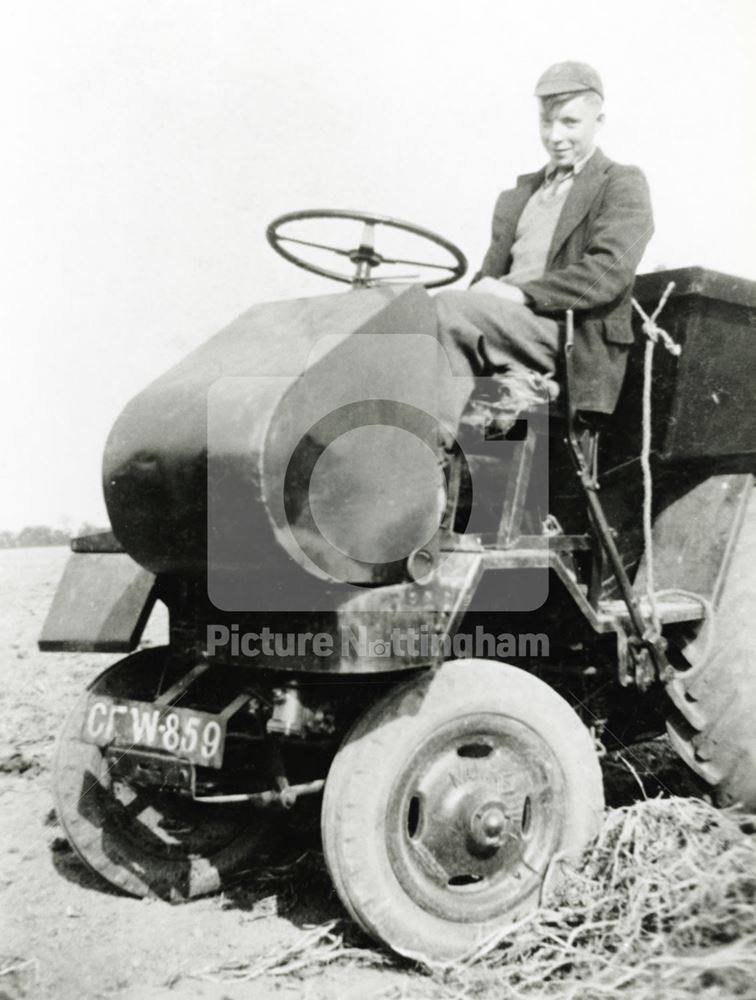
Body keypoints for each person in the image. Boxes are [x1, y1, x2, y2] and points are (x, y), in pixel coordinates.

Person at [435, 61, 654, 427]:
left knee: (444, 307)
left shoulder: (621, 183)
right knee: (407, 319)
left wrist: (521, 295)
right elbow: (487, 278)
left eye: (569, 122)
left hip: (567, 336)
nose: (555, 136)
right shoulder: (519, 195)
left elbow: (608, 272)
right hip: (506, 327)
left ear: (598, 122)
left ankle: (432, 462)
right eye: (545, 122)